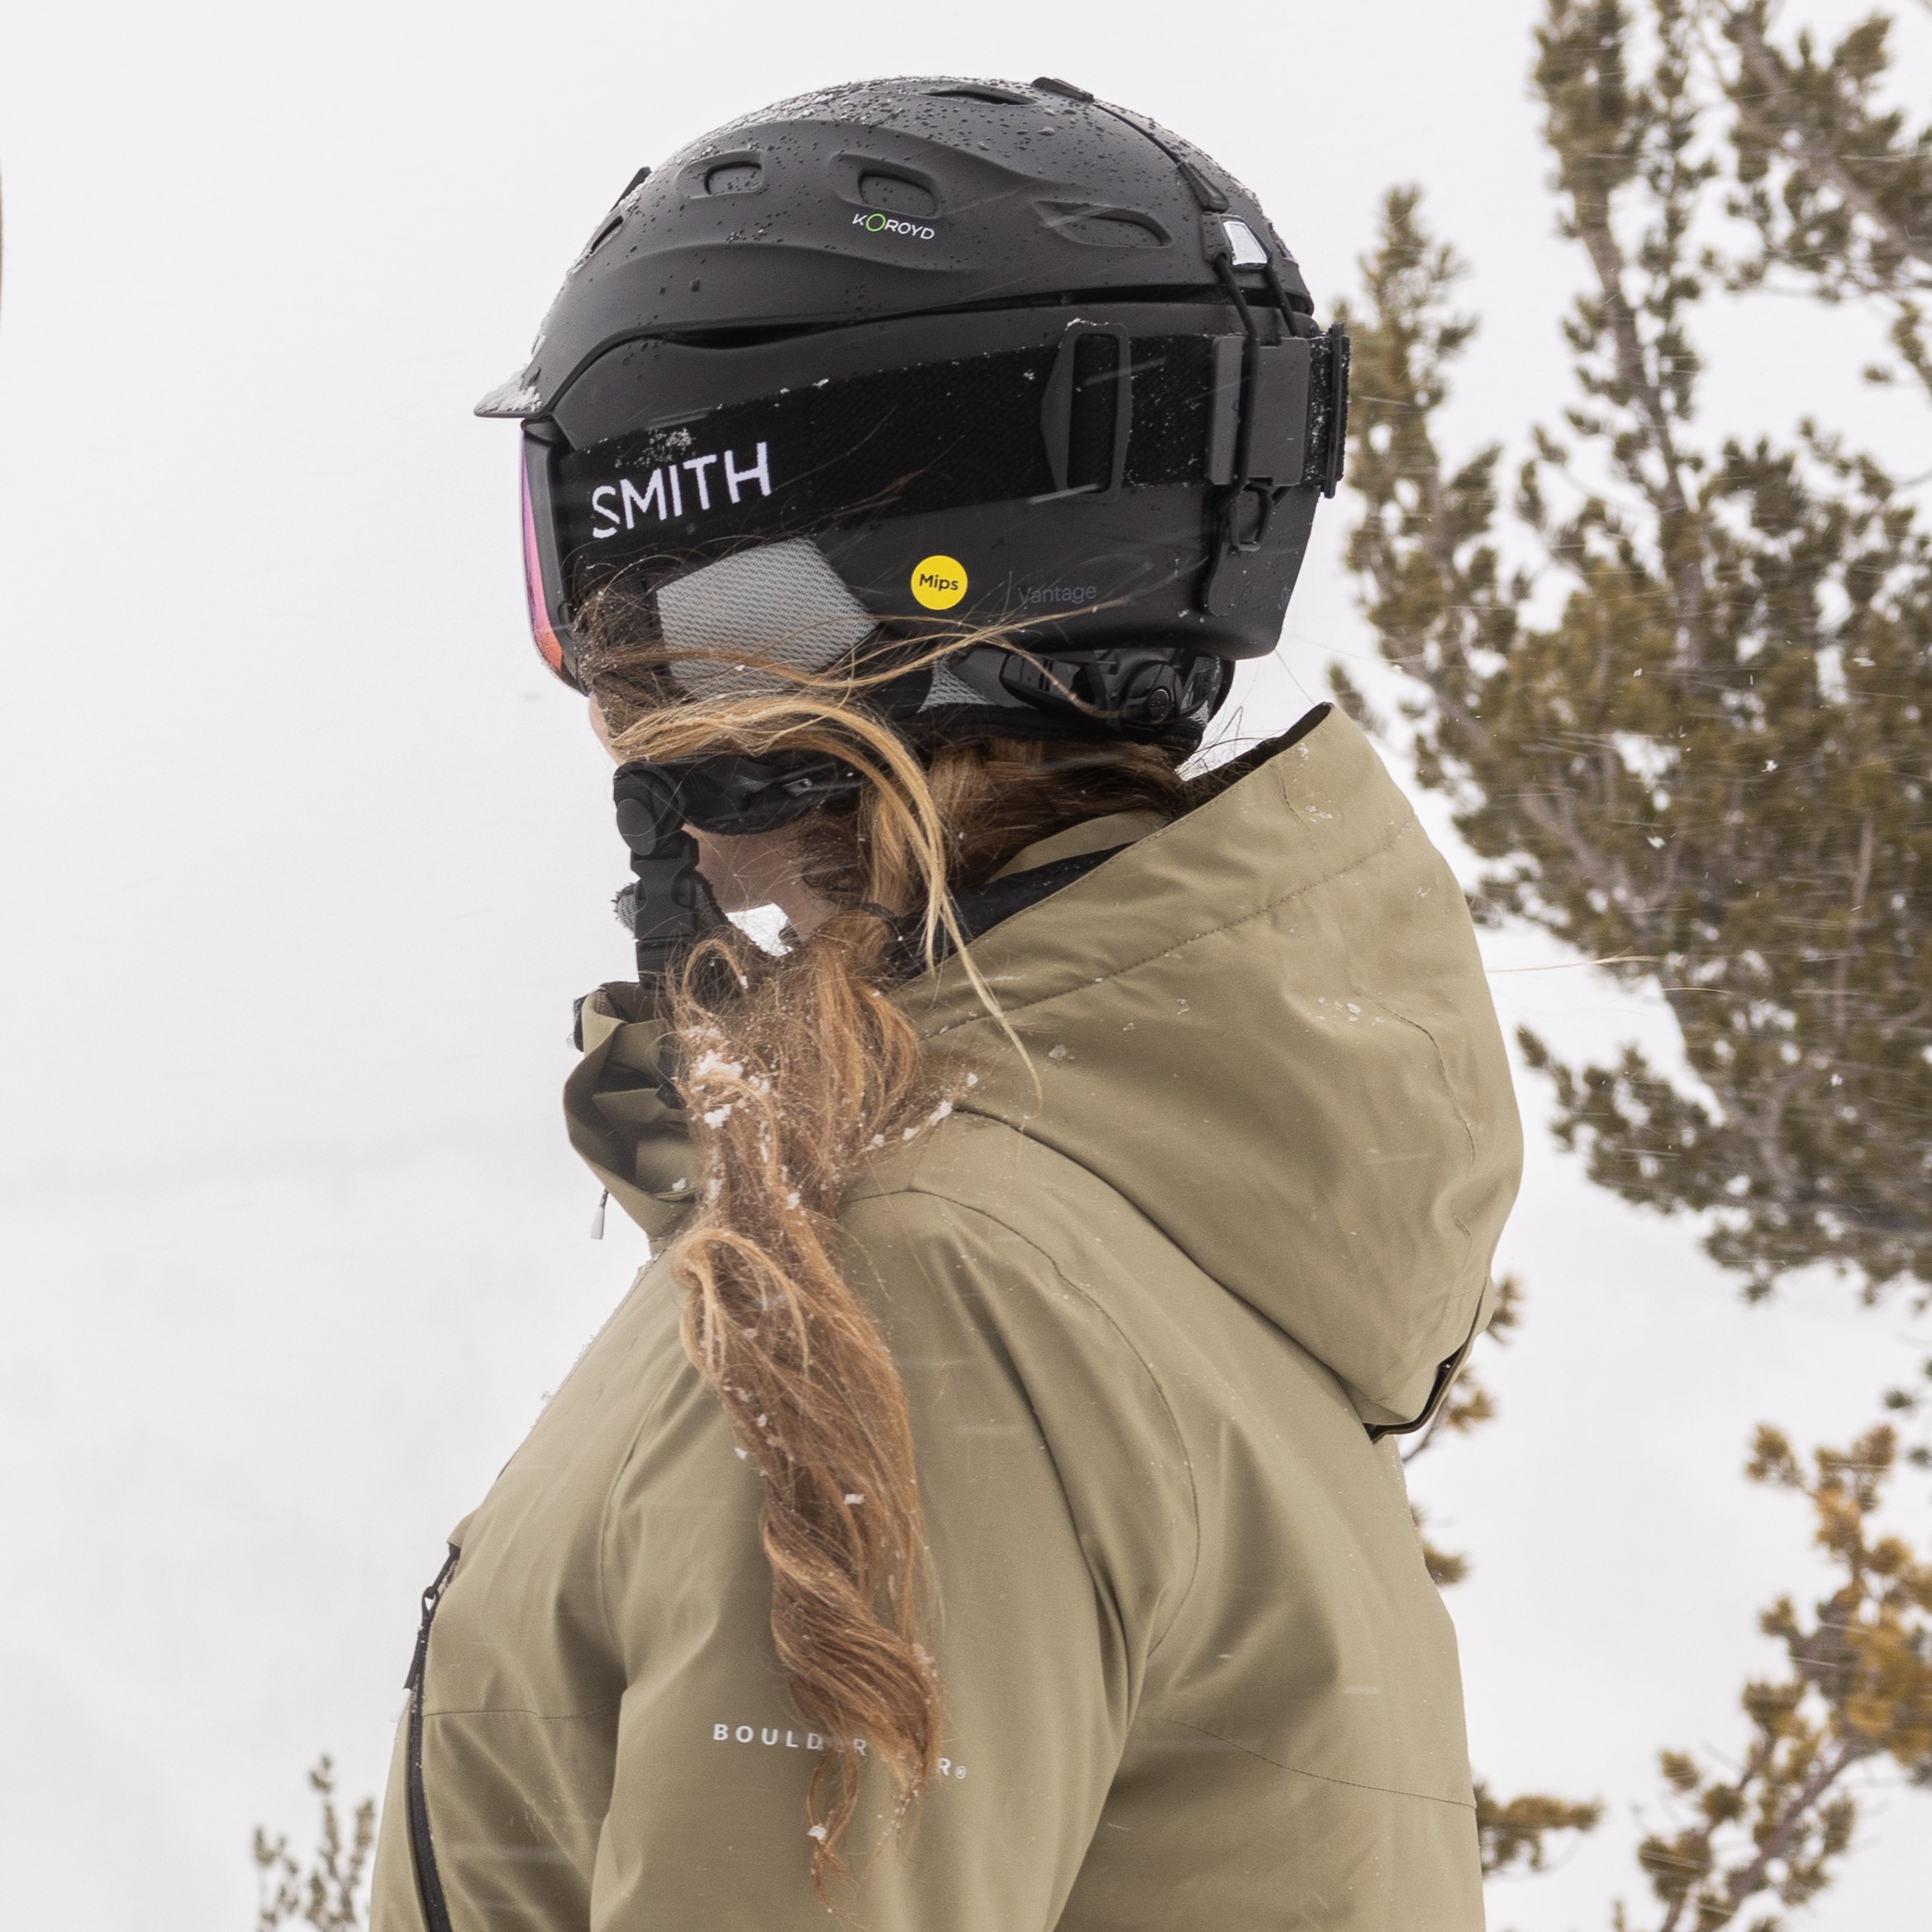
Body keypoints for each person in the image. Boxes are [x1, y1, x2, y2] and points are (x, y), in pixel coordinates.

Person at [369, 75, 1521, 1932]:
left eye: (643, 613)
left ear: (789, 632)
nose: (613, 690)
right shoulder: (1141, 1248)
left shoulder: (919, 1305)